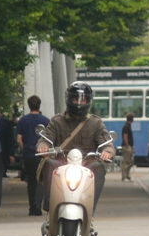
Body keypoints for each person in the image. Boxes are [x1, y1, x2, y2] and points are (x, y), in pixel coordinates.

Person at [37, 81, 115, 216]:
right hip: (62, 162)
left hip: (87, 163)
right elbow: (46, 138)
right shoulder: (57, 121)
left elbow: (106, 141)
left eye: (83, 99)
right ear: (69, 99)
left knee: (99, 167)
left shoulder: (95, 123)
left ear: (89, 100)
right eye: (75, 98)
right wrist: (43, 146)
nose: (79, 102)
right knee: (49, 163)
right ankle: (50, 205)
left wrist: (107, 151)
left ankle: (90, 208)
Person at [16, 95, 50, 216]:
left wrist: (24, 149)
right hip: (42, 155)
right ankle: (37, 203)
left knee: (30, 181)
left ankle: (31, 206)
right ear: (39, 105)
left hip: (29, 155)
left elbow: (19, 139)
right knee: (40, 180)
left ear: (29, 106)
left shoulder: (23, 121)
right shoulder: (46, 121)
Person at [121, 113, 135, 181]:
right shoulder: (126, 127)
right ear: (131, 119)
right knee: (126, 162)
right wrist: (128, 146)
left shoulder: (128, 126)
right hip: (127, 146)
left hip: (129, 146)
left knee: (130, 162)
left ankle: (127, 175)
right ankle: (124, 176)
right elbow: (125, 137)